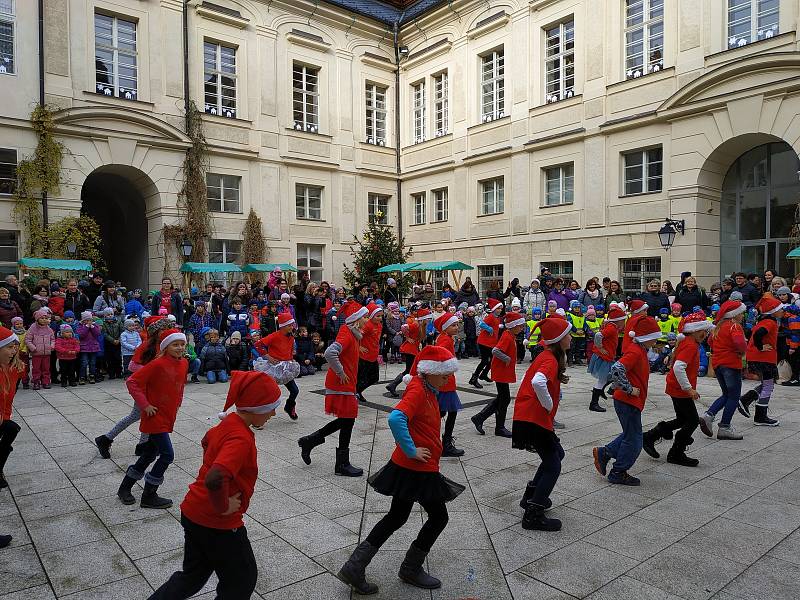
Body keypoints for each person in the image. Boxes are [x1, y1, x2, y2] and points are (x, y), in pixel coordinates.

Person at [337, 345, 464, 595]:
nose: (447, 378)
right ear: (428, 372)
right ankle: (410, 568)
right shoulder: (419, 389)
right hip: (417, 467)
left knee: (397, 516)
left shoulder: (427, 387)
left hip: (412, 467)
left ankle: (355, 566)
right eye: (444, 373)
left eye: (449, 373)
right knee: (439, 517)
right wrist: (411, 449)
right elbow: (396, 418)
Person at [147, 371, 281, 600]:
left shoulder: (229, 421)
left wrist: (210, 462)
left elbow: (207, 439)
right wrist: (223, 505)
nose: (274, 413)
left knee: (192, 577)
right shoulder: (240, 437)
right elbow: (215, 477)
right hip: (217, 522)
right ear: (256, 407)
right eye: (271, 407)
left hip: (193, 511)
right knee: (241, 581)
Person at [512, 316, 572, 531]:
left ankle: (531, 497)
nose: (571, 338)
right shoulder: (549, 358)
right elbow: (538, 381)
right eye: (568, 334)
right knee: (554, 464)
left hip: (532, 417)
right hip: (533, 417)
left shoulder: (550, 356)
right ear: (558, 339)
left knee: (557, 455)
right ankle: (533, 514)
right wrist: (547, 405)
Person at [117, 328, 187, 509]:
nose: (179, 348)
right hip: (154, 416)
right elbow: (132, 382)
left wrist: (178, 402)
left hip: (168, 415)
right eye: (175, 344)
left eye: (182, 344)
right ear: (166, 346)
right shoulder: (157, 364)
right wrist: (144, 405)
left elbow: (180, 386)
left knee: (149, 454)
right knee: (167, 455)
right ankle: (149, 494)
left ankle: (124, 488)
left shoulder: (184, 363)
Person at [298, 301, 369, 476]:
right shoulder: (346, 332)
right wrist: (340, 371)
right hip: (341, 384)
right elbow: (330, 353)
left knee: (346, 420)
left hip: (346, 383)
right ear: (356, 319)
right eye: (365, 317)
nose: (367, 320)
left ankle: (311, 441)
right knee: (348, 421)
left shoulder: (352, 334)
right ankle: (341, 464)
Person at [592, 316, 662, 486]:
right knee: (634, 440)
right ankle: (618, 471)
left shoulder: (639, 349)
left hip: (630, 402)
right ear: (647, 337)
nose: (656, 339)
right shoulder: (635, 351)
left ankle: (604, 453)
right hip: (627, 401)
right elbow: (616, 369)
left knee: (631, 433)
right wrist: (629, 389)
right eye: (654, 336)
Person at [642, 312, 714, 466]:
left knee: (682, 419)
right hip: (680, 389)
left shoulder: (689, 342)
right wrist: (689, 389)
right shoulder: (690, 345)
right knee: (693, 421)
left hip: (676, 387)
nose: (705, 334)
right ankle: (676, 453)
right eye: (703, 330)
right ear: (694, 330)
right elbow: (678, 367)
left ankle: (651, 436)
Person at [95, 317, 172, 459]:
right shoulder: (146, 346)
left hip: (156, 387)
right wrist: (151, 370)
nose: (167, 332)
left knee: (149, 415)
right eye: (163, 329)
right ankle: (105, 439)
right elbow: (132, 366)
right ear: (156, 331)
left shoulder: (164, 345)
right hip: (143, 387)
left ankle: (142, 445)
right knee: (136, 415)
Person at [471, 312, 525, 437]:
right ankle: (497, 427)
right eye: (520, 326)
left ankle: (480, 418)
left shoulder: (510, 335)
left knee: (503, 398)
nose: (522, 328)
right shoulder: (507, 336)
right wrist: (507, 359)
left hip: (503, 371)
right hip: (501, 371)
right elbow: (495, 351)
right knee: (504, 398)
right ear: (512, 326)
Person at [737, 295, 784, 426]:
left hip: (757, 357)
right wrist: (760, 346)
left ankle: (745, 400)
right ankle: (760, 416)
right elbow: (758, 334)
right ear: (773, 311)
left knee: (766, 384)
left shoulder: (763, 321)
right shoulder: (770, 322)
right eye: (780, 309)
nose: (782, 311)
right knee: (768, 385)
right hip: (764, 358)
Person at [253, 313, 301, 419]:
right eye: (289, 325)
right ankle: (260, 414)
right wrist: (268, 356)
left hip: (285, 368)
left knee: (295, 390)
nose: (291, 327)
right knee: (269, 392)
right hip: (273, 368)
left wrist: (291, 359)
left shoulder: (291, 337)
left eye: (292, 325)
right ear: (283, 326)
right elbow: (258, 344)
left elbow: (288, 350)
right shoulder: (274, 336)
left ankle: (289, 406)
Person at [433, 313, 465, 457]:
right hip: (446, 382)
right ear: (445, 328)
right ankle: (445, 444)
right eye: (453, 325)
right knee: (449, 412)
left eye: (457, 324)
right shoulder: (445, 340)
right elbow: (439, 358)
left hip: (445, 380)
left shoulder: (445, 338)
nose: (456, 327)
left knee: (441, 412)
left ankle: (437, 440)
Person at [587, 306, 627, 412]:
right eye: (623, 320)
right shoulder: (611, 328)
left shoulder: (612, 326)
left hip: (606, 356)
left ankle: (599, 393)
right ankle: (594, 403)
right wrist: (600, 347)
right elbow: (598, 335)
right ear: (618, 321)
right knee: (605, 378)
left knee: (607, 377)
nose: (624, 322)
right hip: (603, 357)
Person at [0, 327, 26, 490]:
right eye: (9, 347)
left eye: (15, 347)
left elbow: (8, 398)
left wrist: (5, 415)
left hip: (4, 415)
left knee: (11, 429)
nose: (14, 351)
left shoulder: (15, 369)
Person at [386, 308, 431, 398]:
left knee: (410, 370)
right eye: (428, 319)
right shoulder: (416, 325)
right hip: (409, 349)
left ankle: (394, 385)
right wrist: (407, 337)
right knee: (409, 370)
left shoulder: (421, 326)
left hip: (413, 349)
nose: (429, 320)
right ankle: (393, 385)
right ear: (423, 319)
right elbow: (404, 327)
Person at [469, 298, 503, 388]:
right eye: (498, 308)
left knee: (492, 360)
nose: (500, 310)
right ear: (494, 309)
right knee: (485, 361)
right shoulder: (491, 316)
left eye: (501, 309)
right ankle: (474, 378)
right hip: (484, 342)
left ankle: (483, 374)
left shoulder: (497, 318)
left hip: (490, 343)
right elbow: (481, 324)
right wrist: (489, 328)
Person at [356, 303, 383, 403]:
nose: (380, 318)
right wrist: (359, 346)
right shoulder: (367, 325)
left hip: (373, 355)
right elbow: (356, 335)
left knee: (374, 378)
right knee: (361, 377)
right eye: (378, 316)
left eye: (381, 316)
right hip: (364, 356)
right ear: (371, 316)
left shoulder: (379, 325)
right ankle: (355, 392)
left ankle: (357, 391)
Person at [25, 308, 55, 390]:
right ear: (37, 319)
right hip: (36, 353)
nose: (44, 320)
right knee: (36, 369)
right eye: (42, 318)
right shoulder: (32, 328)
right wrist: (33, 348)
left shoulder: (49, 329)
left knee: (46, 368)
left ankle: (46, 381)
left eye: (46, 318)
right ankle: (36, 382)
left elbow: (52, 339)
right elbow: (28, 340)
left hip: (46, 353)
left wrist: (51, 346)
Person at [77, 310, 101, 384]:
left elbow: (97, 334)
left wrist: (93, 327)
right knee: (84, 363)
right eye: (87, 320)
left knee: (93, 363)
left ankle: (92, 376)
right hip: (84, 348)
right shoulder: (80, 326)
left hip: (93, 347)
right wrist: (87, 327)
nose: (88, 322)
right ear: (83, 320)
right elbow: (81, 335)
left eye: (90, 320)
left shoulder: (95, 325)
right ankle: (82, 377)